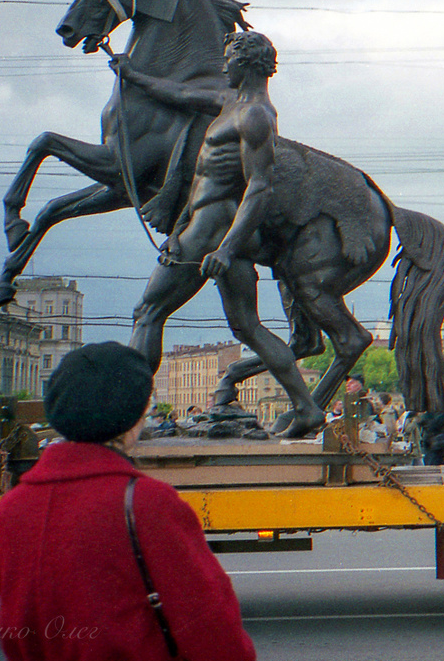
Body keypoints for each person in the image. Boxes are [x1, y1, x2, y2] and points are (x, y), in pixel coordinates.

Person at [0, 342, 255, 661]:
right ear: (134, 416)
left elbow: (18, 629)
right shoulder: (147, 503)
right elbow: (209, 629)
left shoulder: (11, 509)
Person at [114, 32, 326, 439]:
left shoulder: (255, 115)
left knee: (148, 312)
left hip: (213, 228)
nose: (222, 65)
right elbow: (178, 94)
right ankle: (307, 409)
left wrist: (225, 248)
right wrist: (133, 75)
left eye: (228, 57)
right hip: (210, 227)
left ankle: (127, 418)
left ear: (246, 62)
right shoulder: (233, 104)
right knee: (247, 327)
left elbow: (259, 185)